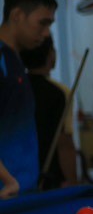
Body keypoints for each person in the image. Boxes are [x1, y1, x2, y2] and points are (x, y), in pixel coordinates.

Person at [0, 0, 56, 199]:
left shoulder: (15, 60)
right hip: (6, 194)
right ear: (17, 15)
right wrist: (8, 179)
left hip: (21, 192)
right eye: (42, 23)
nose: (46, 33)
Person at [20, 37, 77, 189]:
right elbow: (64, 143)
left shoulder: (16, 88)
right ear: (51, 55)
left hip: (19, 174)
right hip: (50, 178)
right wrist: (73, 183)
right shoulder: (58, 93)